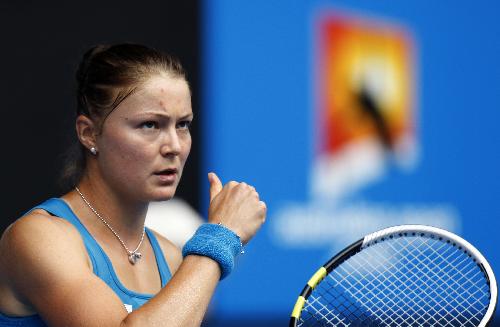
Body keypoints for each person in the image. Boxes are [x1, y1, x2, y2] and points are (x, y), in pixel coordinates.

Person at [0, 43, 266, 326]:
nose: (174, 146)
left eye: (183, 125)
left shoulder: (172, 256)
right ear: (89, 133)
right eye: (150, 125)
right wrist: (220, 239)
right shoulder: (39, 238)